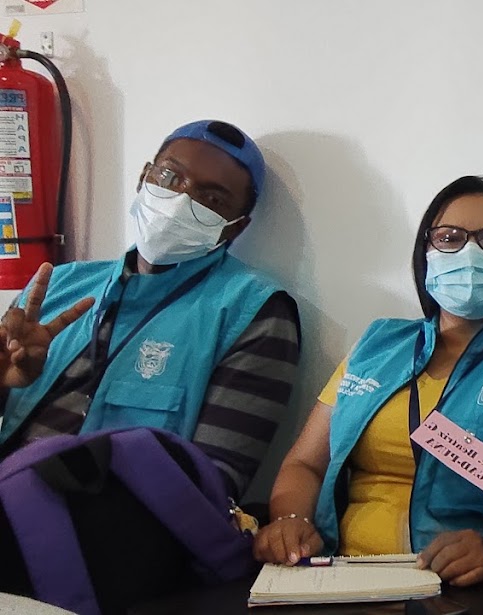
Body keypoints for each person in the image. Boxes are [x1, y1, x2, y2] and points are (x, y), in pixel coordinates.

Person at [0, 119, 301, 611]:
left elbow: (208, 485)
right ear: (144, 177)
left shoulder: (254, 312)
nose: (180, 199)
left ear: (236, 227)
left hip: (117, 538)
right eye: (170, 177)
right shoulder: (58, 286)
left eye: (212, 198)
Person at [254, 176, 483, 587]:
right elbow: (305, 463)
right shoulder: (377, 345)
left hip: (458, 589)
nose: (469, 253)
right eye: (449, 238)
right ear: (426, 255)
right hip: (338, 578)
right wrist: (290, 520)